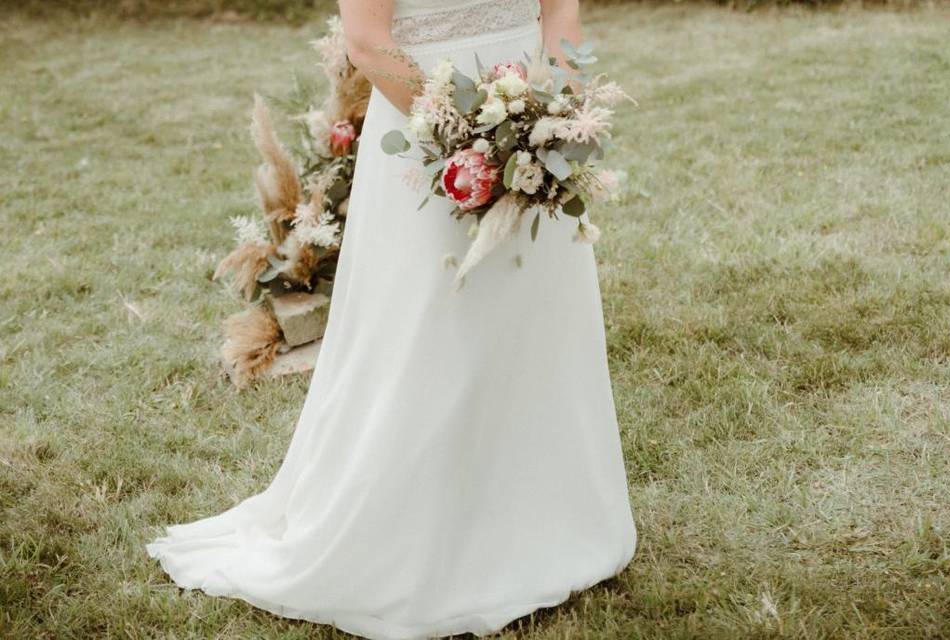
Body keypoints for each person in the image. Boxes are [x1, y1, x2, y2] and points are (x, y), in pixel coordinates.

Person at [145, 1, 637, 638]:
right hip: (426, 141)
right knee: (432, 334)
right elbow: (369, 43)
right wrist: (470, 142)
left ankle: (546, 519)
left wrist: (558, 122)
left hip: (534, 134)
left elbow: (561, 18)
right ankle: (420, 534)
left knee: (533, 333)